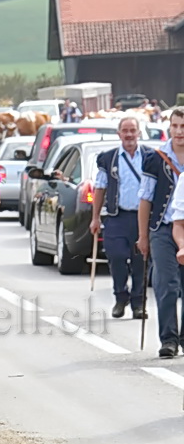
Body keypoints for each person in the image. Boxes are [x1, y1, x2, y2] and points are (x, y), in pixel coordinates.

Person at [90, 117, 151, 319]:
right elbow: (100, 188)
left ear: (139, 133)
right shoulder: (109, 158)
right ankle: (120, 296)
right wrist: (95, 217)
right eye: (125, 130)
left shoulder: (150, 156)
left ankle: (138, 303)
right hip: (117, 217)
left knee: (140, 261)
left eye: (132, 130)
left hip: (142, 219)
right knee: (116, 256)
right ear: (119, 134)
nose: (129, 134)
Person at [137, 107, 184, 358]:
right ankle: (169, 339)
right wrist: (143, 235)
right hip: (163, 230)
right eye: (175, 126)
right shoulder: (155, 158)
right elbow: (145, 199)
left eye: (183, 127)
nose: (179, 132)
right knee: (167, 284)